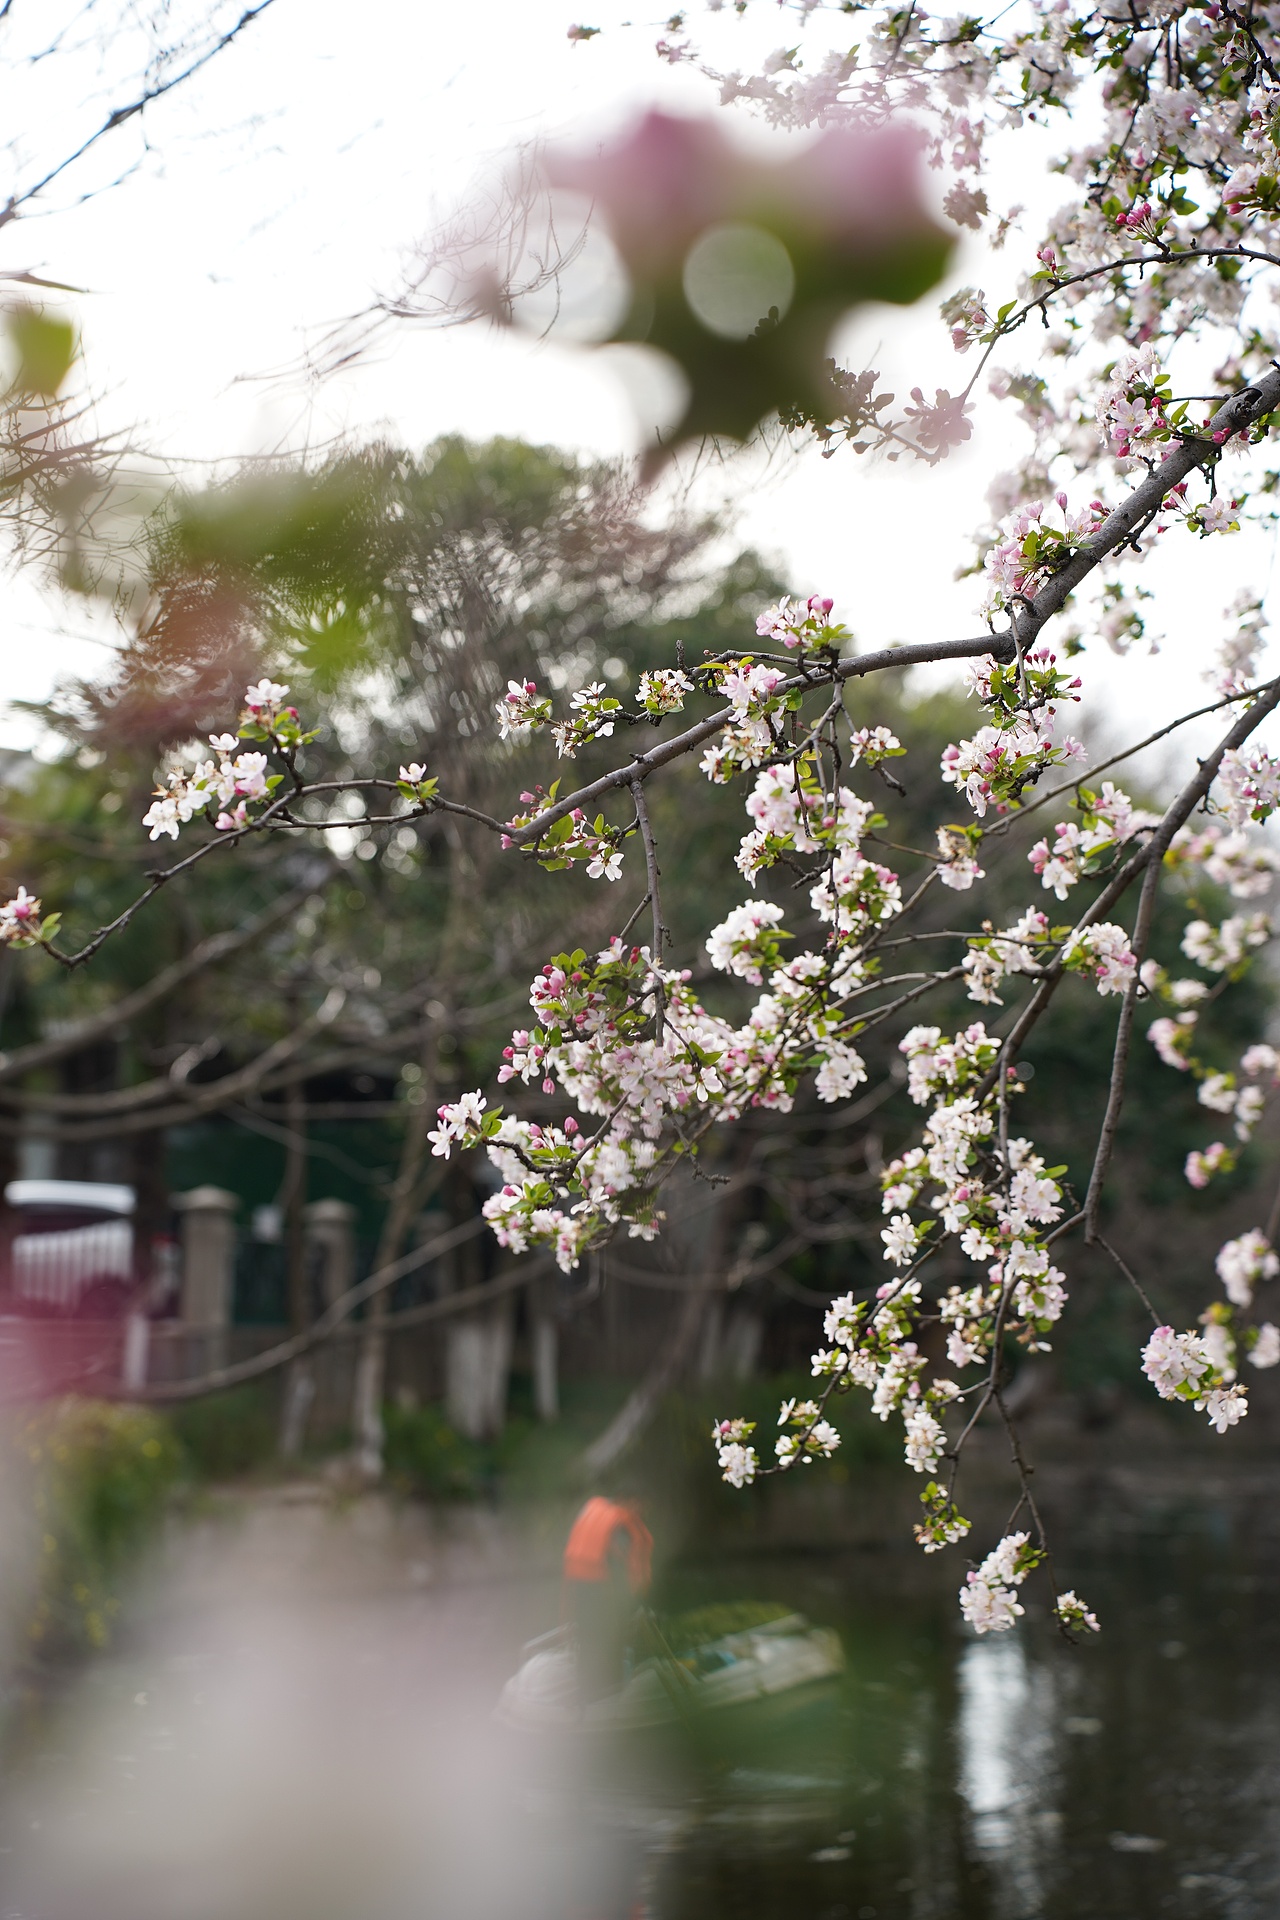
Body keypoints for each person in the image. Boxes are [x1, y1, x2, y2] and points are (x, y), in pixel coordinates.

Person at [562, 1492, 652, 1704]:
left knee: (588, 1641)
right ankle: (611, 1697)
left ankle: (588, 1694)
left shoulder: (593, 1508)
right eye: (639, 1504)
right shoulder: (619, 1522)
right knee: (612, 1642)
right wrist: (633, 1600)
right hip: (602, 1592)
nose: (640, 1511)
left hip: (581, 1587)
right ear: (630, 1501)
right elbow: (620, 1564)